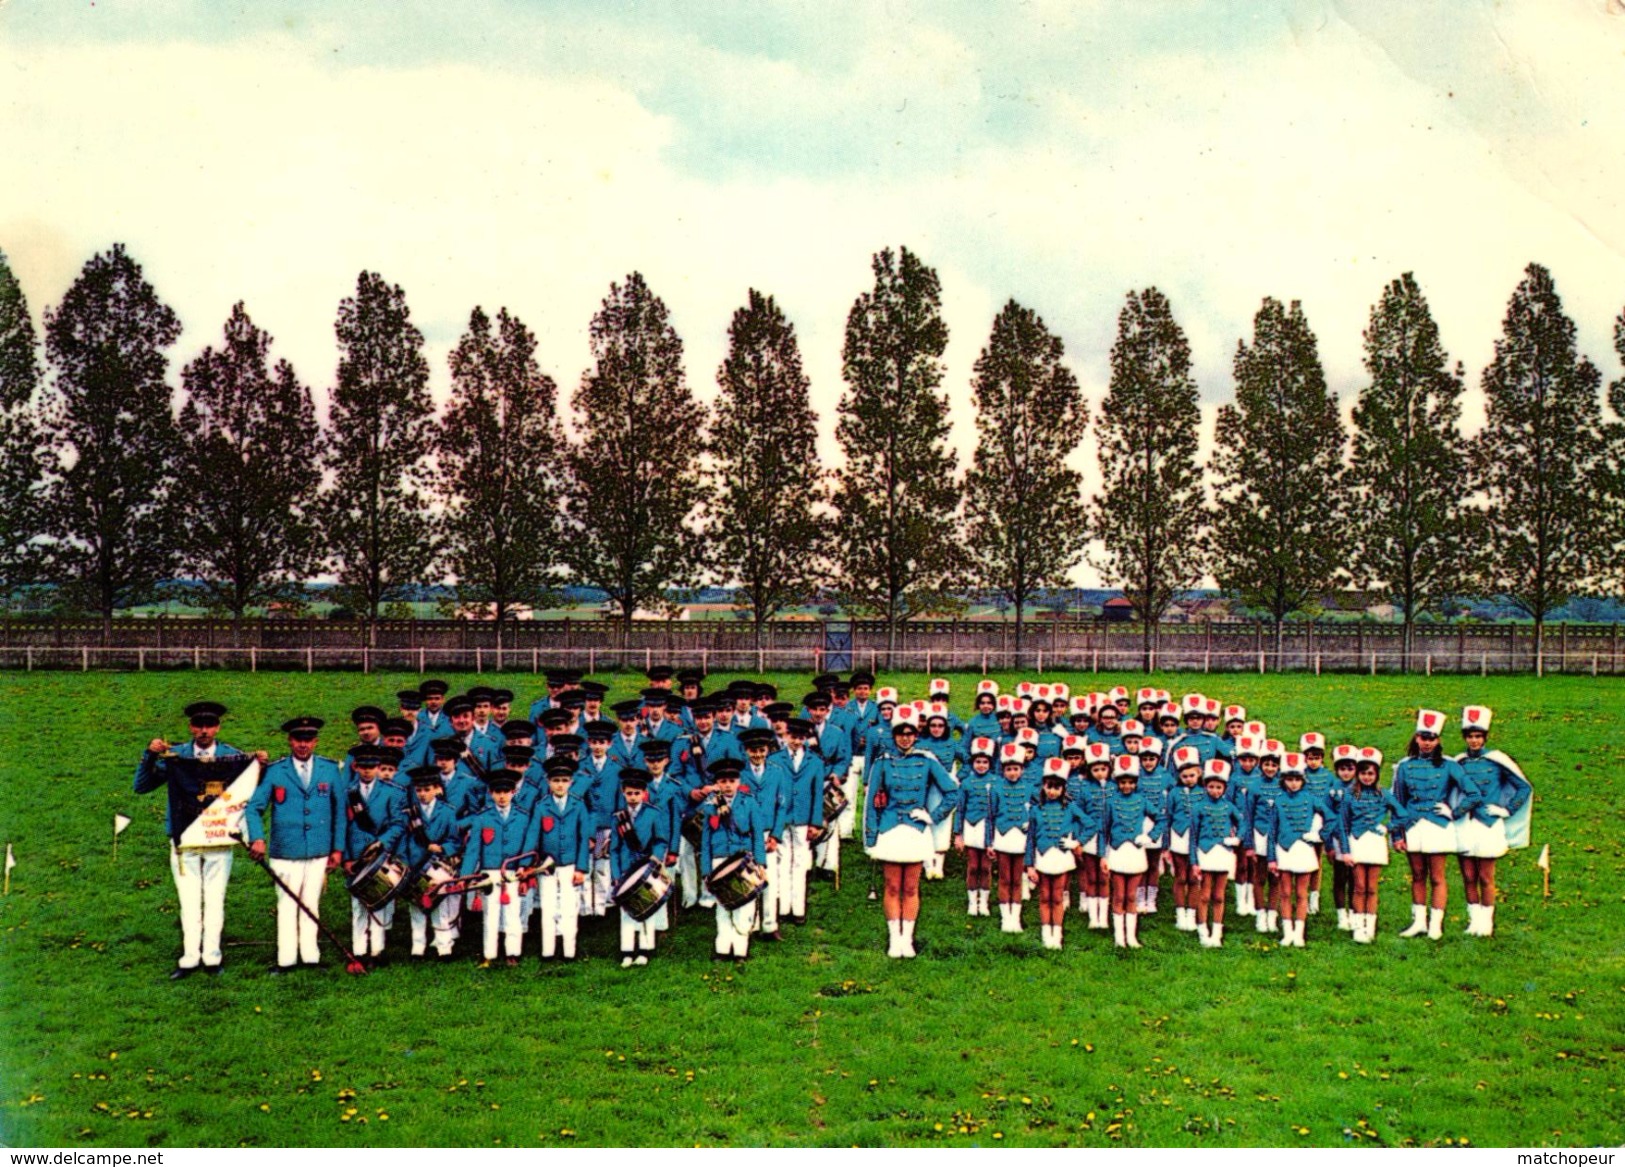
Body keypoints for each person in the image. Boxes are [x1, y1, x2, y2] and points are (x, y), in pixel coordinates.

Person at [132, 701, 259, 979]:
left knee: (215, 899)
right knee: (189, 900)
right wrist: (150, 756)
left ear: (218, 727)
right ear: (190, 727)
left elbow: (251, 789)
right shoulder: (175, 756)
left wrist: (260, 764)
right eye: (198, 725)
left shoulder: (232, 756)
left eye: (209, 725)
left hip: (219, 839)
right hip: (185, 838)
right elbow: (141, 786)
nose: (204, 731)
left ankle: (212, 957)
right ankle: (189, 958)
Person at [242, 717, 344, 973]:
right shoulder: (276, 771)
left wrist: (337, 849)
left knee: (311, 903)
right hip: (285, 850)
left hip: (319, 850)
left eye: (308, 740)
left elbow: (340, 812)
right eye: (298, 739)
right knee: (287, 905)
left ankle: (311, 958)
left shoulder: (330, 769)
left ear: (316, 741)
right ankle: (285, 960)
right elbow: (254, 808)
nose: (303, 745)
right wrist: (257, 837)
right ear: (290, 740)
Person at [864, 715, 956, 958]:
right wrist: (871, 838)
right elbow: (871, 803)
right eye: (900, 733)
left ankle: (908, 938)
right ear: (894, 736)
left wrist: (933, 816)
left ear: (916, 734)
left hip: (916, 830)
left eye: (910, 733)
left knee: (911, 887)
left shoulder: (926, 760)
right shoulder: (882, 761)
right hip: (891, 828)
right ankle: (895, 938)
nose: (905, 738)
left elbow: (952, 792)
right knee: (893, 886)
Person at [1392, 709, 1475, 940]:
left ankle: (1436, 924)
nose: (1426, 743)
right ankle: (1419, 922)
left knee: (1437, 877)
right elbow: (1397, 801)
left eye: (1431, 739)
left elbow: (1473, 793)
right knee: (1417, 875)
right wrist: (1396, 835)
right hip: (1412, 825)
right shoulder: (1405, 766)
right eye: (1422, 738)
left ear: (1438, 740)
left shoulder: (1449, 765)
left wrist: (1453, 811)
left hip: (1438, 825)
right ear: (1416, 738)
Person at [1454, 706, 1532, 937]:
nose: (1474, 740)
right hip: (1465, 822)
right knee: (1468, 876)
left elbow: (1523, 787)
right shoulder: (1459, 762)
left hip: (1488, 823)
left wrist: (1506, 810)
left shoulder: (1497, 760)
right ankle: (1474, 920)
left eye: (1478, 736)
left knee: (1486, 877)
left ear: (1485, 737)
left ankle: (1487, 922)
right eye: (1470, 736)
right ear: (1465, 738)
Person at [340, 745, 407, 967]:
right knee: (358, 906)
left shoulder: (393, 792)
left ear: (379, 767)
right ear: (355, 767)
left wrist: (382, 843)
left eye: (372, 767)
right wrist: (347, 858)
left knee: (379, 903)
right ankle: (358, 950)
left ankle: (377, 950)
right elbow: (343, 828)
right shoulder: (347, 793)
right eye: (364, 767)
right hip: (356, 856)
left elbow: (399, 823)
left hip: (381, 856)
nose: (368, 771)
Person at [459, 771, 532, 967]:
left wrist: (524, 868)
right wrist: (466, 876)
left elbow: (529, 846)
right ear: (491, 793)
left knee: (513, 913)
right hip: (489, 873)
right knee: (490, 914)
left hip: (512, 872)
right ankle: (489, 954)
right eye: (497, 792)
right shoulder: (482, 818)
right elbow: (473, 849)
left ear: (513, 792)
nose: (502, 796)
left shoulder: (523, 817)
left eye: (506, 792)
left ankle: (513, 953)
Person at [699, 759, 769, 963]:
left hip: (743, 860)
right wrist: (706, 870)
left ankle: (740, 949)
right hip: (719, 859)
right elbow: (705, 840)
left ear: (739, 781)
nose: (727, 785)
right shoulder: (711, 805)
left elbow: (757, 835)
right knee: (722, 906)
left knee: (744, 904)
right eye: (722, 781)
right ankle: (722, 948)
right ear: (717, 783)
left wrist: (760, 863)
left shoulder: (749, 802)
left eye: (731, 780)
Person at [1335, 747, 1403, 944]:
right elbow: (1343, 824)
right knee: (1359, 886)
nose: (1367, 777)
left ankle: (1369, 926)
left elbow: (1404, 814)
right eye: (1363, 773)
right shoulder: (1349, 794)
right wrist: (1345, 851)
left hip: (1375, 843)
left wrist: (1389, 827)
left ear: (1377, 774)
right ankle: (1358, 927)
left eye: (1370, 773)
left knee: (1372, 888)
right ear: (1358, 774)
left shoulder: (1384, 794)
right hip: (1356, 842)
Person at [529, 759, 591, 961]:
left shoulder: (579, 805)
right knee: (548, 908)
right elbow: (533, 837)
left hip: (570, 865)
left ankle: (569, 951)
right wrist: (529, 865)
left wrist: (581, 868)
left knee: (569, 908)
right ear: (548, 782)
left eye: (564, 780)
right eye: (556, 780)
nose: (560, 785)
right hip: (547, 867)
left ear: (571, 782)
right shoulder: (541, 806)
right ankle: (548, 951)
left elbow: (584, 838)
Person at [399, 766, 463, 961]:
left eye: (427, 790)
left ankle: (444, 947)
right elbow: (402, 841)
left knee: (439, 906)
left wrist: (443, 849)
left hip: (436, 866)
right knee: (416, 907)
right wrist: (404, 863)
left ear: (437, 789)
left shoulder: (448, 812)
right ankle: (417, 948)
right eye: (419, 790)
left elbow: (455, 840)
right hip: (414, 865)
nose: (423, 794)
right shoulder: (409, 813)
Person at [609, 767, 669, 967]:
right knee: (626, 911)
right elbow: (615, 849)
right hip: (626, 869)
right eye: (629, 793)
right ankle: (627, 950)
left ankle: (645, 948)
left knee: (647, 906)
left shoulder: (653, 813)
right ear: (623, 793)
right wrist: (616, 874)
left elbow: (661, 840)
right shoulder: (618, 817)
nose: (633, 797)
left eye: (637, 793)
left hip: (646, 867)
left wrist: (656, 858)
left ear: (644, 793)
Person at [1025, 762, 1089, 950]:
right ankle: (1047, 934)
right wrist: (1030, 865)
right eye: (1049, 787)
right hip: (1043, 857)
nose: (1052, 791)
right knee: (1045, 897)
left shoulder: (1070, 807)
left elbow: (1090, 823)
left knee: (1058, 897)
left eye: (1057, 787)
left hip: (1061, 857)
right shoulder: (1036, 809)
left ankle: (1057, 934)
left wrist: (1077, 842)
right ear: (1043, 786)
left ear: (1063, 788)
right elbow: (1030, 840)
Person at [1264, 753, 1323, 948]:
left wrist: (1317, 832)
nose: (1294, 784)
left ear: (1303, 780)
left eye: (1297, 779)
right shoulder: (1278, 801)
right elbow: (1271, 832)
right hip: (1284, 849)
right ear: (1283, 780)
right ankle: (1287, 931)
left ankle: (1300, 932)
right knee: (1286, 892)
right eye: (1290, 779)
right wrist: (1271, 858)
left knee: (1301, 893)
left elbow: (1331, 817)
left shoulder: (1311, 798)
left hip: (1304, 848)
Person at [1102, 753, 1158, 949]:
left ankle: (1132, 937)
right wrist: (1103, 855)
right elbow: (1104, 831)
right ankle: (1119, 937)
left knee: (1131, 896)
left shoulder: (1142, 801)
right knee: (1118, 895)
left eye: (1130, 782)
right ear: (1117, 782)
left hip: (1135, 852)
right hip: (1117, 852)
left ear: (1136, 783)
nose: (1126, 786)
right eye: (1122, 782)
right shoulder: (1110, 802)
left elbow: (1161, 818)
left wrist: (1150, 836)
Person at [1189, 759, 1243, 947]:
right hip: (1205, 853)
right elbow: (1193, 837)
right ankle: (1203, 929)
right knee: (1204, 895)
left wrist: (1237, 838)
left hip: (1224, 853)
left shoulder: (1229, 807)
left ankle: (1217, 932)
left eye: (1219, 787)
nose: (1215, 791)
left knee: (1219, 895)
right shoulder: (1198, 808)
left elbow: (1242, 822)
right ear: (1205, 787)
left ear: (1225, 788)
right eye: (1211, 786)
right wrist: (1194, 862)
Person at [988, 743, 1034, 934]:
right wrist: (989, 842)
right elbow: (990, 816)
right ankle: (1005, 917)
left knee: (1017, 879)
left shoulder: (1030, 788)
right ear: (1003, 770)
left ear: (1022, 769)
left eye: (1016, 769)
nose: (1012, 773)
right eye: (1009, 769)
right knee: (1005, 879)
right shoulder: (996, 788)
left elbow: (1037, 812)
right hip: (1003, 837)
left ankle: (1016, 917)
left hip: (1021, 838)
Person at [954, 737, 997, 917]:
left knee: (986, 867)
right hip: (971, 826)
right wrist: (958, 834)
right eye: (978, 762)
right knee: (973, 866)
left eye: (985, 762)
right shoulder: (966, 783)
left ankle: (984, 902)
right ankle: (972, 902)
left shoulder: (996, 782)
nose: (981, 765)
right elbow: (960, 809)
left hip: (989, 828)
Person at [1164, 746, 1205, 933]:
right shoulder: (1174, 793)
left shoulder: (1204, 792)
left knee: (1194, 877)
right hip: (1179, 837)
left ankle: (1192, 912)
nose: (1188, 779)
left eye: (1192, 775)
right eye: (1184, 776)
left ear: (1199, 774)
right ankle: (1180, 913)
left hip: (1199, 839)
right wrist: (1166, 844)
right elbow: (1168, 817)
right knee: (1181, 876)